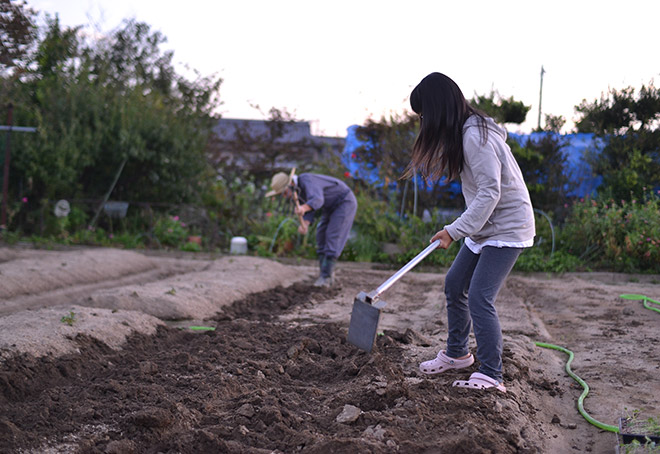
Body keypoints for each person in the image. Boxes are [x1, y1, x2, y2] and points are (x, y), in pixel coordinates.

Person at [405, 72, 536, 393]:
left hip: (507, 227)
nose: (423, 122)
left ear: (436, 109)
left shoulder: (475, 137)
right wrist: (463, 230)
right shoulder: (466, 133)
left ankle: (492, 374)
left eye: (423, 115)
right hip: (485, 228)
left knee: (480, 296)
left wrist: (454, 230)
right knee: (454, 284)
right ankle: (457, 354)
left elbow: (490, 192)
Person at [265, 169, 357, 287]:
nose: (284, 197)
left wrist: (303, 208)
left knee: (333, 235)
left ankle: (326, 278)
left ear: (291, 184)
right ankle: (323, 274)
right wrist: (306, 223)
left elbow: (317, 200)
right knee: (321, 235)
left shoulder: (307, 180)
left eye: (283, 193)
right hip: (329, 208)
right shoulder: (298, 193)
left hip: (344, 202)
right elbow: (311, 208)